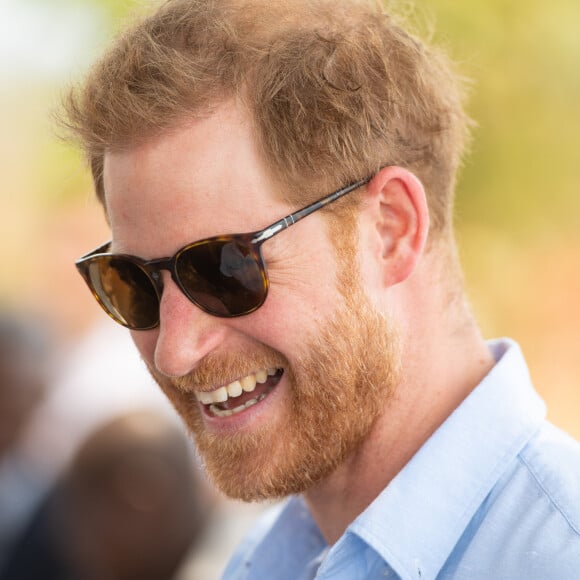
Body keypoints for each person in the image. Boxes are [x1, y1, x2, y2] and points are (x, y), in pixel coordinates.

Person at [61, 0, 580, 577]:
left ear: (391, 229)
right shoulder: (258, 562)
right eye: (130, 281)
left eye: (223, 269)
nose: (174, 351)